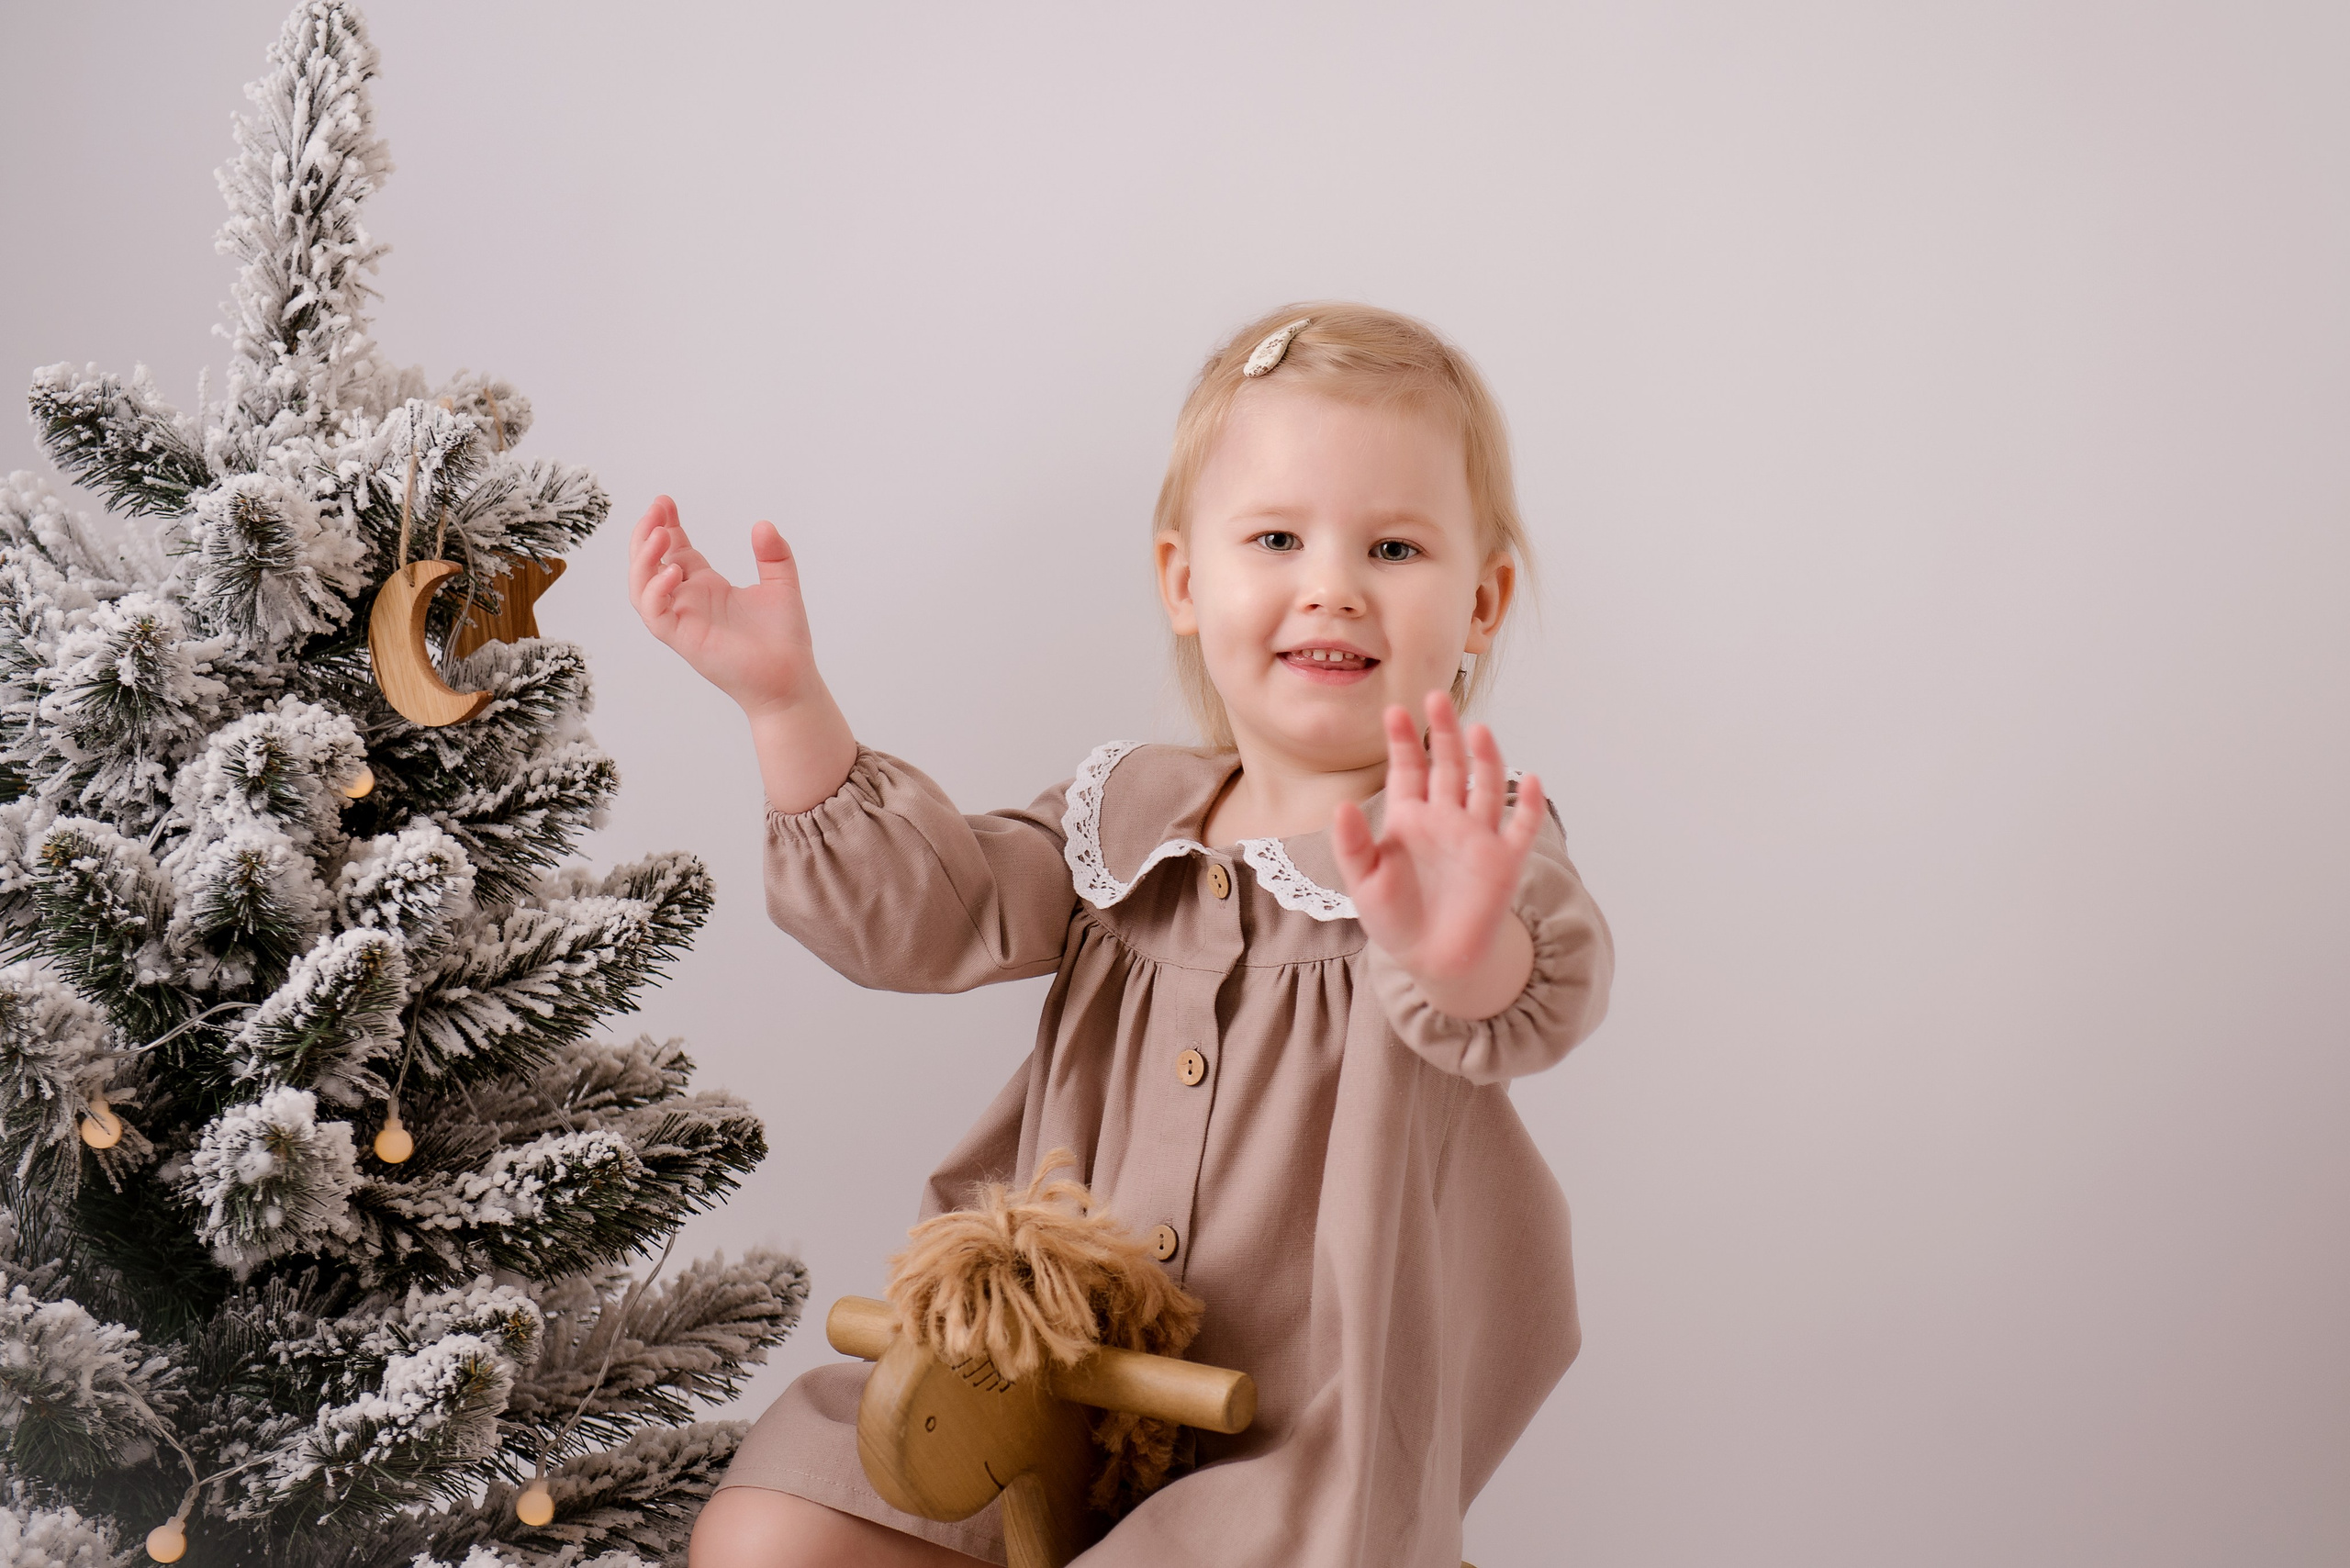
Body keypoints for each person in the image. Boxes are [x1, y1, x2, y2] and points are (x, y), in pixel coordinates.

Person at [632, 303, 1616, 1567]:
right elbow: (922, 918)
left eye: (1394, 547)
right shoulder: (1128, 823)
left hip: (1297, 1442)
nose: (1333, 585)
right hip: (1044, 1384)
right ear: (1185, 582)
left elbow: (1519, 993)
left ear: (1482, 601)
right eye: (1276, 537)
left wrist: (1453, 941)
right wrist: (786, 707)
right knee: (776, 1526)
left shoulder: (1458, 844)